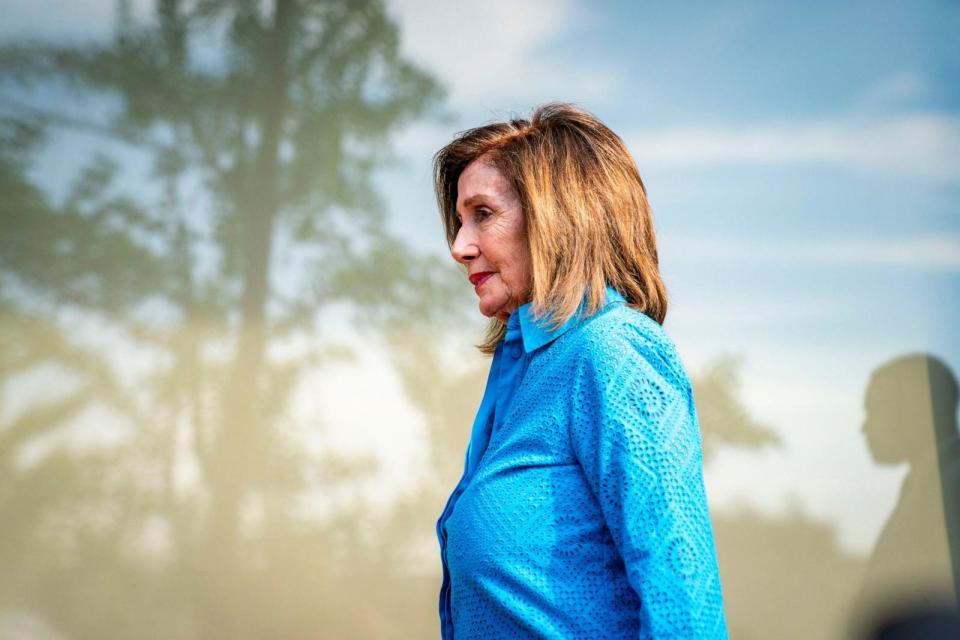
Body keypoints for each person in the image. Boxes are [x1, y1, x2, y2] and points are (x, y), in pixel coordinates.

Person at [433, 102, 727, 639]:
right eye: (458, 221)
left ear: (557, 217)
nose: (458, 246)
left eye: (483, 214)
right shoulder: (525, 372)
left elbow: (682, 600)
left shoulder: (612, 352)